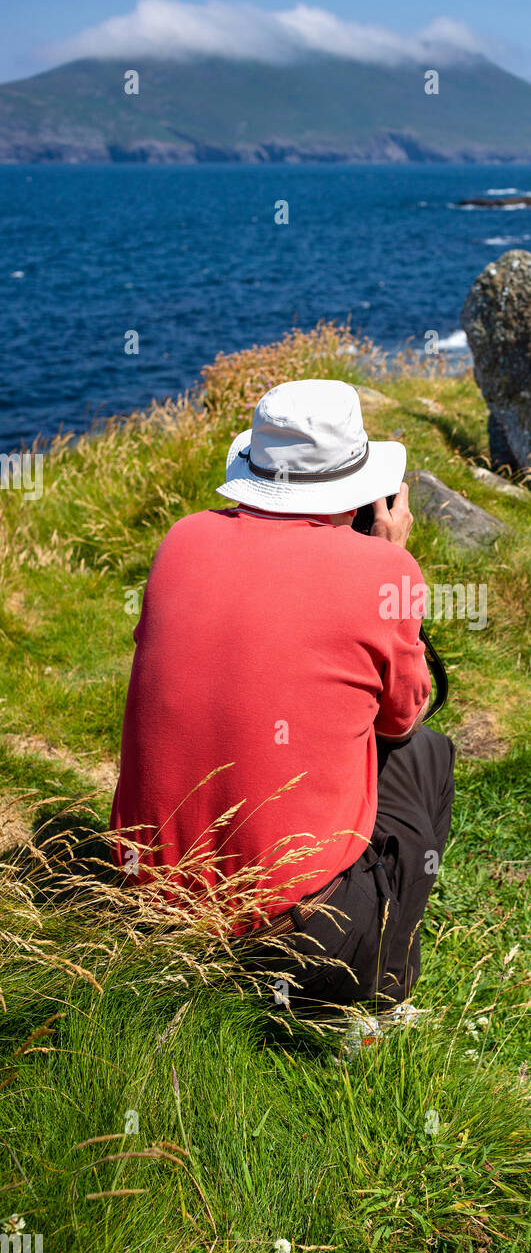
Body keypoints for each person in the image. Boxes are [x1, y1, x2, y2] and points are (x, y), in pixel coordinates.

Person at [110, 379, 455, 1018]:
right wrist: (390, 560)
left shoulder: (181, 538)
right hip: (302, 939)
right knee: (425, 754)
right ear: (361, 491)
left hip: (146, 904)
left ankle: (199, 963)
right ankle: (378, 994)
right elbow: (402, 717)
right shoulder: (387, 572)